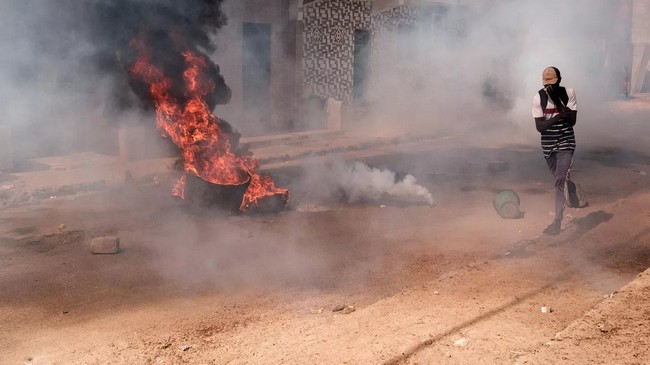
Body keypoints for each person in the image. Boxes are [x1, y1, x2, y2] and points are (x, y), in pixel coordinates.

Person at [532, 66, 578, 235]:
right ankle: (570, 186)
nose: (549, 87)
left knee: (559, 180)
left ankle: (557, 221)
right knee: (560, 178)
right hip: (548, 145)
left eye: (553, 83)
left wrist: (563, 110)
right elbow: (540, 127)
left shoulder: (569, 93)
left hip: (566, 142)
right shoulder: (539, 97)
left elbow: (572, 121)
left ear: (559, 80)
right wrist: (560, 115)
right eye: (547, 84)